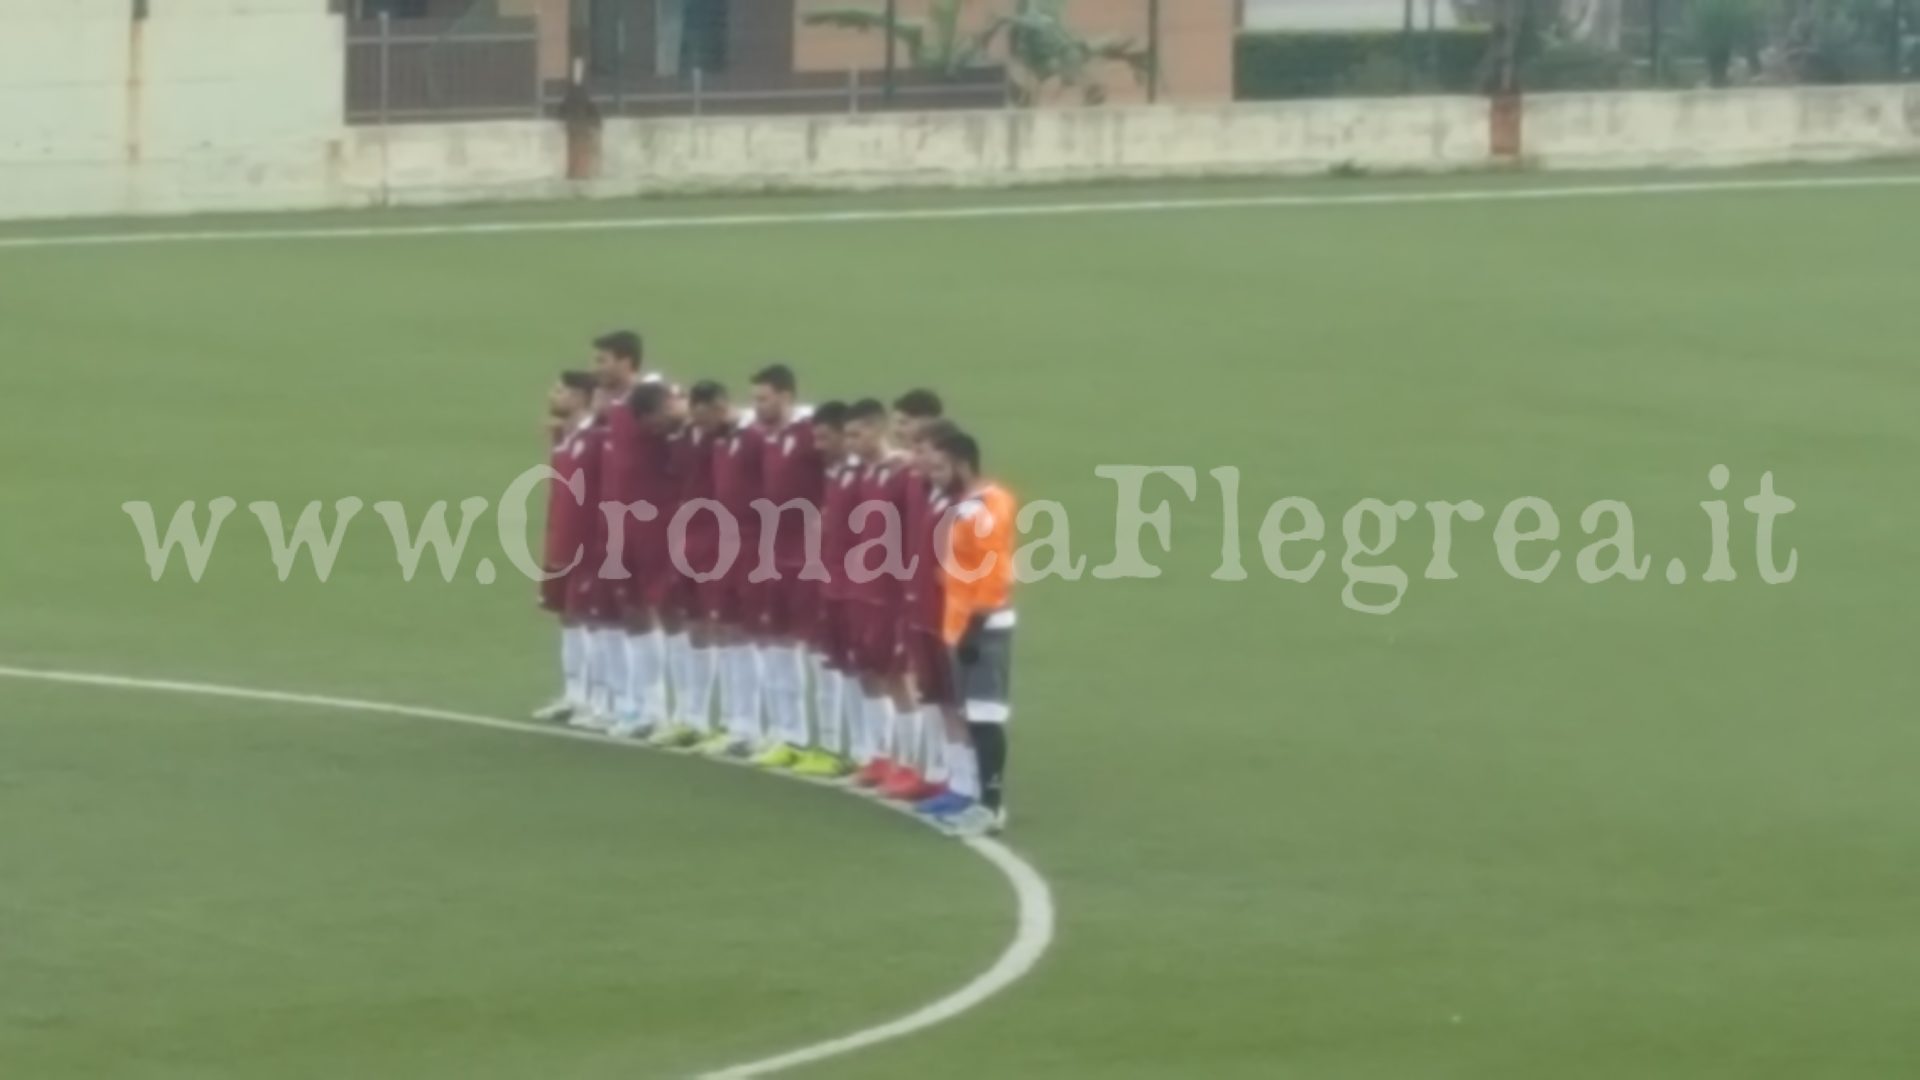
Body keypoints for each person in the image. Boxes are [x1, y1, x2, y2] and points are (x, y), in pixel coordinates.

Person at [926, 427, 1017, 837]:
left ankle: (992, 806)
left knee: (985, 717)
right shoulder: (966, 504)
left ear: (962, 464)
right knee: (973, 715)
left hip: (981, 627)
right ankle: (982, 801)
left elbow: (994, 575)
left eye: (941, 468)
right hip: (960, 625)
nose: (935, 476)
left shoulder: (985, 507)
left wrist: (973, 630)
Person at [592, 330, 676, 740]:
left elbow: (678, 426)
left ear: (627, 361)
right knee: (629, 612)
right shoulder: (615, 405)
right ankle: (634, 702)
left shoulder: (653, 397)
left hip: (651, 521)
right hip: (616, 520)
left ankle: (657, 709)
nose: (598, 368)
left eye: (604, 360)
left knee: (654, 610)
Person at [747, 364, 827, 771]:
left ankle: (822, 742)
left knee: (813, 650)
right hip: (772, 554)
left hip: (808, 557)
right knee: (777, 644)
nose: (757, 407)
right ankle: (788, 735)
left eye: (763, 399)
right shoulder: (768, 436)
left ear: (785, 396)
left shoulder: (810, 432)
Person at [699, 380, 767, 758]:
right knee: (726, 632)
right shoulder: (721, 441)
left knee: (752, 635)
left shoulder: (752, 437)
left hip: (754, 546)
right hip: (725, 545)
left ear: (720, 405)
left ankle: (753, 727)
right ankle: (734, 722)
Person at [790, 401, 857, 778]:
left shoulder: (859, 474)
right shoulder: (830, 471)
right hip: (825, 576)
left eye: (826, 437)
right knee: (825, 662)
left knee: (857, 670)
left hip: (855, 581)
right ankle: (830, 744)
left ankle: (854, 749)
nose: (818, 445)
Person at [532, 370, 602, 725]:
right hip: (562, 537)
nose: (553, 394)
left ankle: (598, 700)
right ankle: (575, 695)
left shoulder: (595, 438)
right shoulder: (567, 437)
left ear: (580, 397)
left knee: (593, 619)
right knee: (568, 615)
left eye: (561, 390)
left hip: (589, 542)